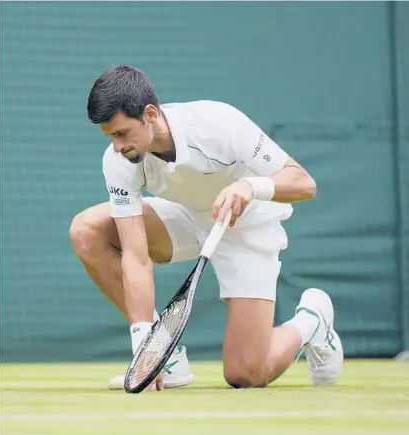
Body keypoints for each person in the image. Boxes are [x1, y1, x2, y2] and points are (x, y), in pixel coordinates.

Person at [69, 65, 343, 391]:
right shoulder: (118, 160)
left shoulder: (218, 124)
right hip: (184, 215)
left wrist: (251, 187)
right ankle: (168, 362)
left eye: (122, 133)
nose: (116, 146)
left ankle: (311, 321)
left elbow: (303, 182)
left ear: (151, 114)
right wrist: (147, 344)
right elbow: (136, 254)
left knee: (245, 374)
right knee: (87, 230)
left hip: (246, 227)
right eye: (109, 137)